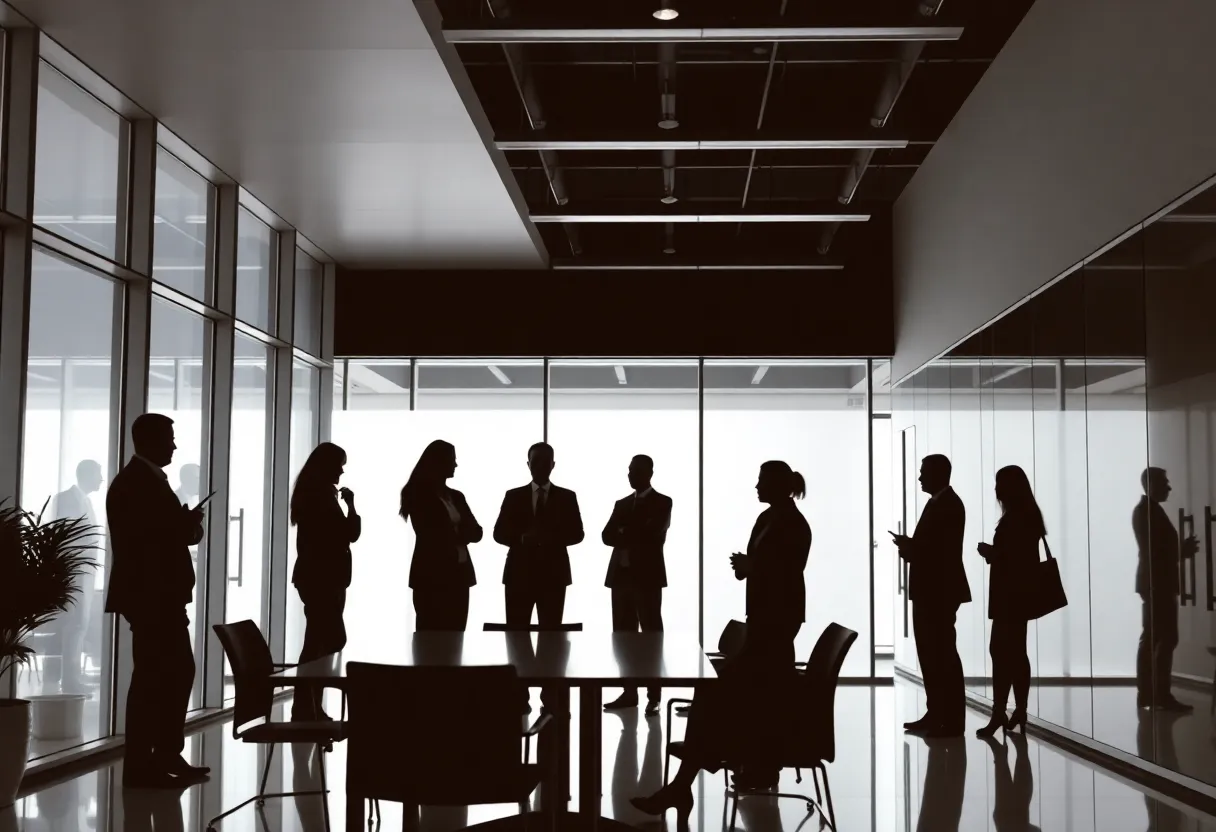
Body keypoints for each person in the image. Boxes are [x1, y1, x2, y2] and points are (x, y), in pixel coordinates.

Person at [631, 461, 810, 817]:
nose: (755, 486)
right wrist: (750, 567)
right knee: (724, 692)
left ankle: (689, 780)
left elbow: (788, 570)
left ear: (777, 484)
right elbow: (771, 564)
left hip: (776, 623)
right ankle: (697, 776)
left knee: (720, 693)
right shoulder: (771, 518)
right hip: (763, 620)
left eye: (761, 481)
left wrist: (752, 567)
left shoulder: (791, 522)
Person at [105, 413, 210, 788]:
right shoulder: (139, 483)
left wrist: (183, 526)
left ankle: (159, 755)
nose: (174, 446)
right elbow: (159, 538)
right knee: (160, 677)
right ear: (149, 440)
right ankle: (147, 761)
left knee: (166, 675)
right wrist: (188, 525)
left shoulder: (137, 482)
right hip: (154, 597)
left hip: (154, 596)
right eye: (169, 438)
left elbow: (161, 533)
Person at [892, 453, 969, 738]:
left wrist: (911, 550)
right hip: (931, 591)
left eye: (924, 472)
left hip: (938, 592)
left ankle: (949, 719)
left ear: (939, 473)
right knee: (931, 654)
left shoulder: (948, 505)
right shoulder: (939, 503)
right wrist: (912, 547)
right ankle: (937, 713)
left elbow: (940, 553)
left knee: (942, 655)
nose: (920, 477)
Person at [289, 442, 360, 721]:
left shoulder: (312, 493)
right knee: (323, 642)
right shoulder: (321, 496)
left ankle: (307, 705)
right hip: (324, 578)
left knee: (318, 641)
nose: (342, 470)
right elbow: (347, 534)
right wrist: (352, 507)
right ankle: (308, 705)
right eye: (339, 464)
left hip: (317, 576)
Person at [602, 454, 672, 716]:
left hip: (646, 579)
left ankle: (654, 695)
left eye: (635, 471)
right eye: (629, 470)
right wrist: (631, 530)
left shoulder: (663, 502)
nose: (630, 475)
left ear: (649, 473)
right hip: (621, 579)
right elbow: (606, 535)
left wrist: (624, 531)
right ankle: (629, 691)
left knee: (652, 637)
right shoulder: (621, 503)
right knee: (623, 637)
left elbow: (653, 534)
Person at [975, 465, 1042, 737]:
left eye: (999, 484)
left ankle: (1001, 712)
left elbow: (1015, 557)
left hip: (1010, 595)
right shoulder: (1027, 514)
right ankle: (1016, 711)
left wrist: (992, 552)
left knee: (1002, 652)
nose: (996, 490)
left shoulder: (1018, 517)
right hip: (1016, 595)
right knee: (1013, 652)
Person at [401, 439, 482, 631]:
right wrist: (461, 532)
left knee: (456, 637)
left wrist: (454, 532)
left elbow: (477, 531)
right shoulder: (418, 494)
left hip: (459, 576)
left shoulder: (456, 496)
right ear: (439, 462)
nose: (455, 464)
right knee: (430, 639)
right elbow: (430, 535)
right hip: (431, 576)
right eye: (452, 459)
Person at [1133, 467, 1195, 711]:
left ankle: (1150, 694)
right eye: (1165, 482)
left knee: (1155, 638)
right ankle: (1157, 694)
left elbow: (1155, 550)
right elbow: (1155, 552)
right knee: (1162, 638)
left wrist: (1179, 551)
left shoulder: (1148, 511)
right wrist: (1181, 551)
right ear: (1151, 484)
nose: (1169, 487)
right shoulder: (1147, 512)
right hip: (1157, 583)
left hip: (1155, 583)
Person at [51, 459, 103, 693]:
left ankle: (73, 678)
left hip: (86, 571)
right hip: (75, 571)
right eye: (98, 474)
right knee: (75, 624)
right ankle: (70, 679)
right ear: (86, 474)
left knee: (80, 624)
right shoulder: (66, 499)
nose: (101, 479)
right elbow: (67, 536)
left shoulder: (87, 501)